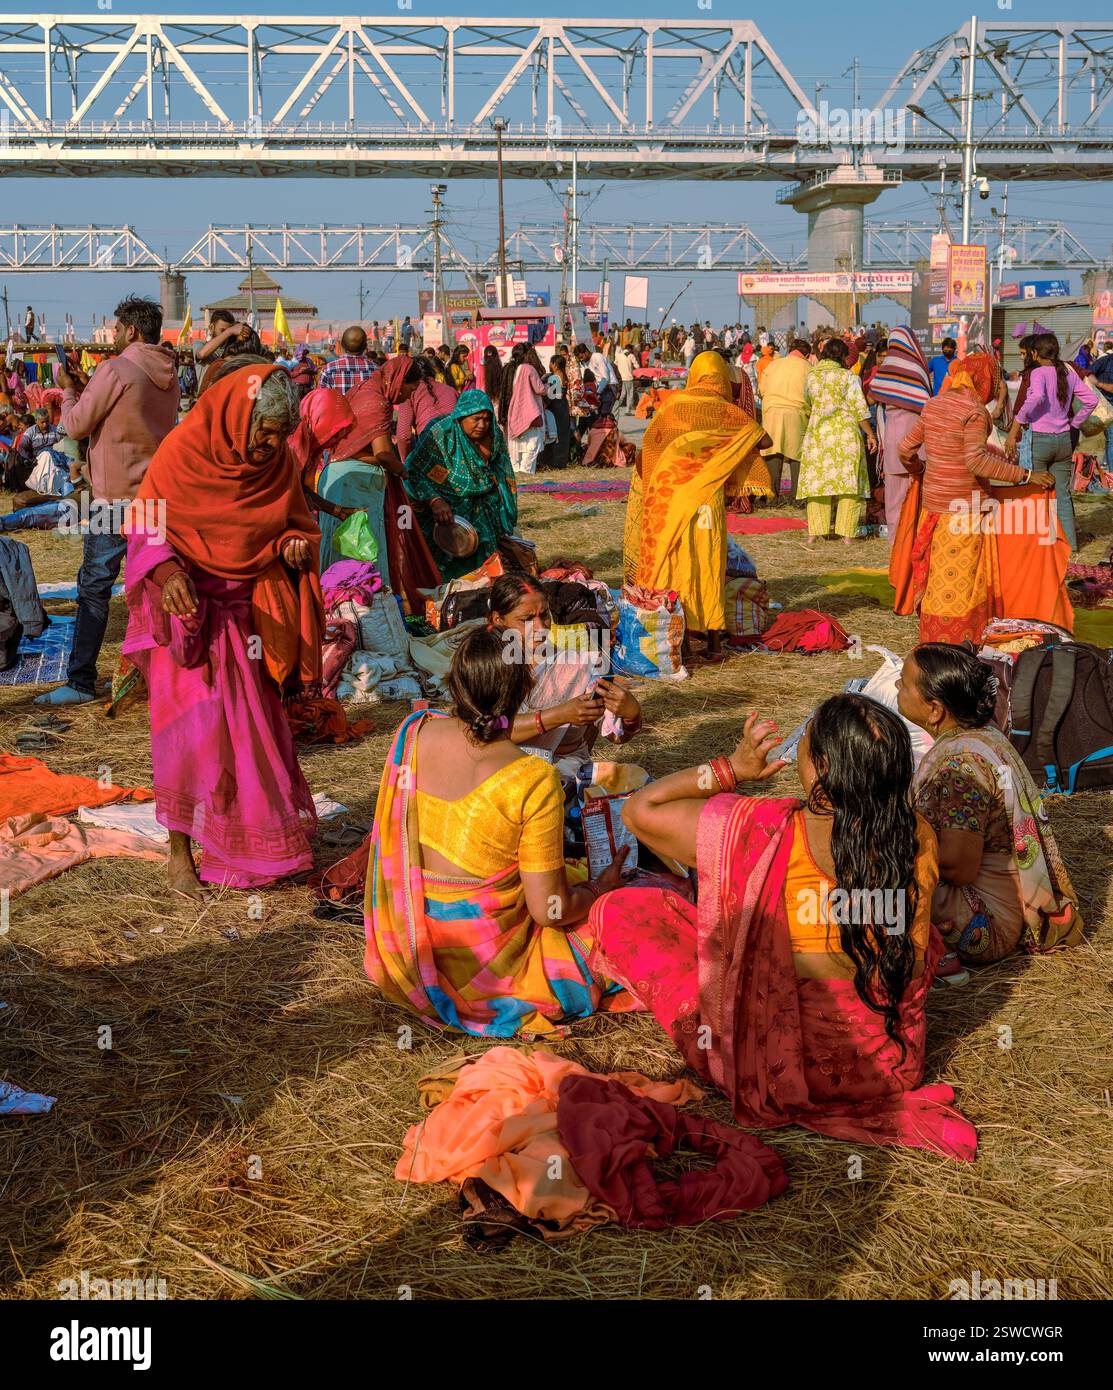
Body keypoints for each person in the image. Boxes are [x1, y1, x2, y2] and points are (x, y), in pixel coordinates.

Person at [591, 697, 975, 1159]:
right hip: (893, 1068)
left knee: (625, 910)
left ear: (822, 767)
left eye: (804, 742)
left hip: (777, 1072)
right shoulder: (916, 834)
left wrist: (731, 768)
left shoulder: (762, 829)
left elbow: (640, 809)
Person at [363, 626, 635, 1037]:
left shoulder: (413, 733)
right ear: (523, 690)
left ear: (455, 682)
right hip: (489, 962)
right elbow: (549, 910)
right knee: (626, 917)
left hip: (417, 945)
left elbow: (485, 728)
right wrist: (602, 889)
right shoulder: (531, 778)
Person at [122, 363, 323, 898]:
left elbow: (292, 525)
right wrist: (167, 576)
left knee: (250, 737)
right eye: (265, 431)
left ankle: (247, 849)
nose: (271, 444)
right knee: (191, 735)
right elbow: (145, 527)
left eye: (282, 435)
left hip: (244, 618)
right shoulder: (183, 453)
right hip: (187, 616)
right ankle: (179, 854)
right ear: (238, 415)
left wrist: (291, 548)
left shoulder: (278, 463)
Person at [897, 644, 1082, 964]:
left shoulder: (962, 763)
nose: (898, 686)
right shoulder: (982, 737)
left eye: (904, 681)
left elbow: (958, 867)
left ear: (935, 709)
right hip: (1001, 907)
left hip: (984, 923)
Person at [37, 297, 180, 708]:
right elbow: (126, 414)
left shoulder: (114, 369)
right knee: (152, 588)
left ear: (131, 331)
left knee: (94, 588)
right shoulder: (168, 375)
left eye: (116, 329)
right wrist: (87, 390)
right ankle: (161, 678)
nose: (114, 336)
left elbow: (75, 424)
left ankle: (81, 681)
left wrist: (67, 391)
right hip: (155, 496)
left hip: (113, 501)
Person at [890, 367, 1057, 642]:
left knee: (938, 581)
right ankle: (961, 642)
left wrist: (920, 470)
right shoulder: (974, 412)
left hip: (932, 511)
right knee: (963, 586)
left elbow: (905, 449)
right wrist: (1025, 475)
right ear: (983, 384)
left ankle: (933, 641)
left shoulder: (933, 405)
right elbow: (975, 461)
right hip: (964, 512)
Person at [631, 350, 769, 664]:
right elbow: (764, 441)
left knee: (676, 564)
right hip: (707, 502)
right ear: (721, 377)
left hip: (668, 496)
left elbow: (651, 445)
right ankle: (714, 646)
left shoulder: (673, 405)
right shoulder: (725, 412)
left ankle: (680, 647)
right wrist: (721, 444)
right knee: (707, 566)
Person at [318, 357, 440, 610]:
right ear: (399, 380)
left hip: (339, 478)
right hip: (355, 484)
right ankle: (362, 617)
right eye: (409, 389)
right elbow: (383, 453)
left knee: (339, 552)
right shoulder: (378, 401)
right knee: (360, 556)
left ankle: (335, 615)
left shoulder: (364, 389)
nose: (407, 397)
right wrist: (405, 472)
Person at [490, 573, 641, 775]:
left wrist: (632, 715)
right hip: (498, 770)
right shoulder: (484, 665)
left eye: (544, 615)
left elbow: (615, 735)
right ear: (498, 620)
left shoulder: (578, 666)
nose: (541, 627)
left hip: (562, 772)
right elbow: (486, 731)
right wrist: (560, 715)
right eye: (526, 619)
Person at [405, 388, 517, 580]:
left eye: (486, 419)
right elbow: (413, 472)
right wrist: (435, 500)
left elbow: (500, 471)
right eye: (476, 419)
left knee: (484, 563)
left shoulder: (493, 436)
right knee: (444, 567)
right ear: (460, 417)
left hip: (481, 510)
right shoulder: (440, 434)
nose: (482, 425)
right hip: (444, 515)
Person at [1003, 332, 1098, 552]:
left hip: (1041, 440)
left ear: (1035, 353)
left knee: (1037, 493)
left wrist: (1017, 423)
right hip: (1064, 439)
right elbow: (1091, 400)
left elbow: (1036, 397)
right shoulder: (1068, 371)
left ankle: (1040, 549)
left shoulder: (1038, 372)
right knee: (1062, 495)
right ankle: (1070, 547)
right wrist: (1075, 423)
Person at [797, 339, 876, 547]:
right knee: (848, 487)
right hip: (845, 438)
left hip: (818, 437)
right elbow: (859, 408)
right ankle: (847, 536)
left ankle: (815, 534)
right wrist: (870, 435)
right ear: (842, 356)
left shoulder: (811, 377)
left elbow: (806, 404)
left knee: (817, 486)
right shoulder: (848, 377)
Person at [866, 325, 932, 539]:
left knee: (894, 499)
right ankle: (917, 540)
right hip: (917, 443)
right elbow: (927, 404)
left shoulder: (886, 370)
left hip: (893, 442)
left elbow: (870, 398)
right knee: (919, 497)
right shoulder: (919, 370)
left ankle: (896, 544)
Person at [757, 338, 812, 503]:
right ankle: (798, 498)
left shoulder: (773, 365)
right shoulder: (808, 367)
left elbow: (762, 390)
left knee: (773, 453)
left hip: (772, 412)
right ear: (807, 355)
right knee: (797, 455)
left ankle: (771, 497)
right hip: (796, 413)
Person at [395, 354, 457, 459]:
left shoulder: (409, 393)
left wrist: (406, 465)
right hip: (455, 452)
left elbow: (403, 436)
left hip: (429, 453)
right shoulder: (451, 391)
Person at [500, 343, 547, 476]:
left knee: (516, 445)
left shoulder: (510, 368)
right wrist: (548, 387)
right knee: (533, 443)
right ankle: (526, 472)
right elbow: (540, 389)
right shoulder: (528, 368)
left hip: (514, 410)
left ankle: (516, 473)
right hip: (529, 411)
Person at [318, 326, 376, 393]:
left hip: (338, 403)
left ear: (342, 345)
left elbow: (322, 399)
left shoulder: (328, 370)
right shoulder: (376, 370)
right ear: (365, 346)